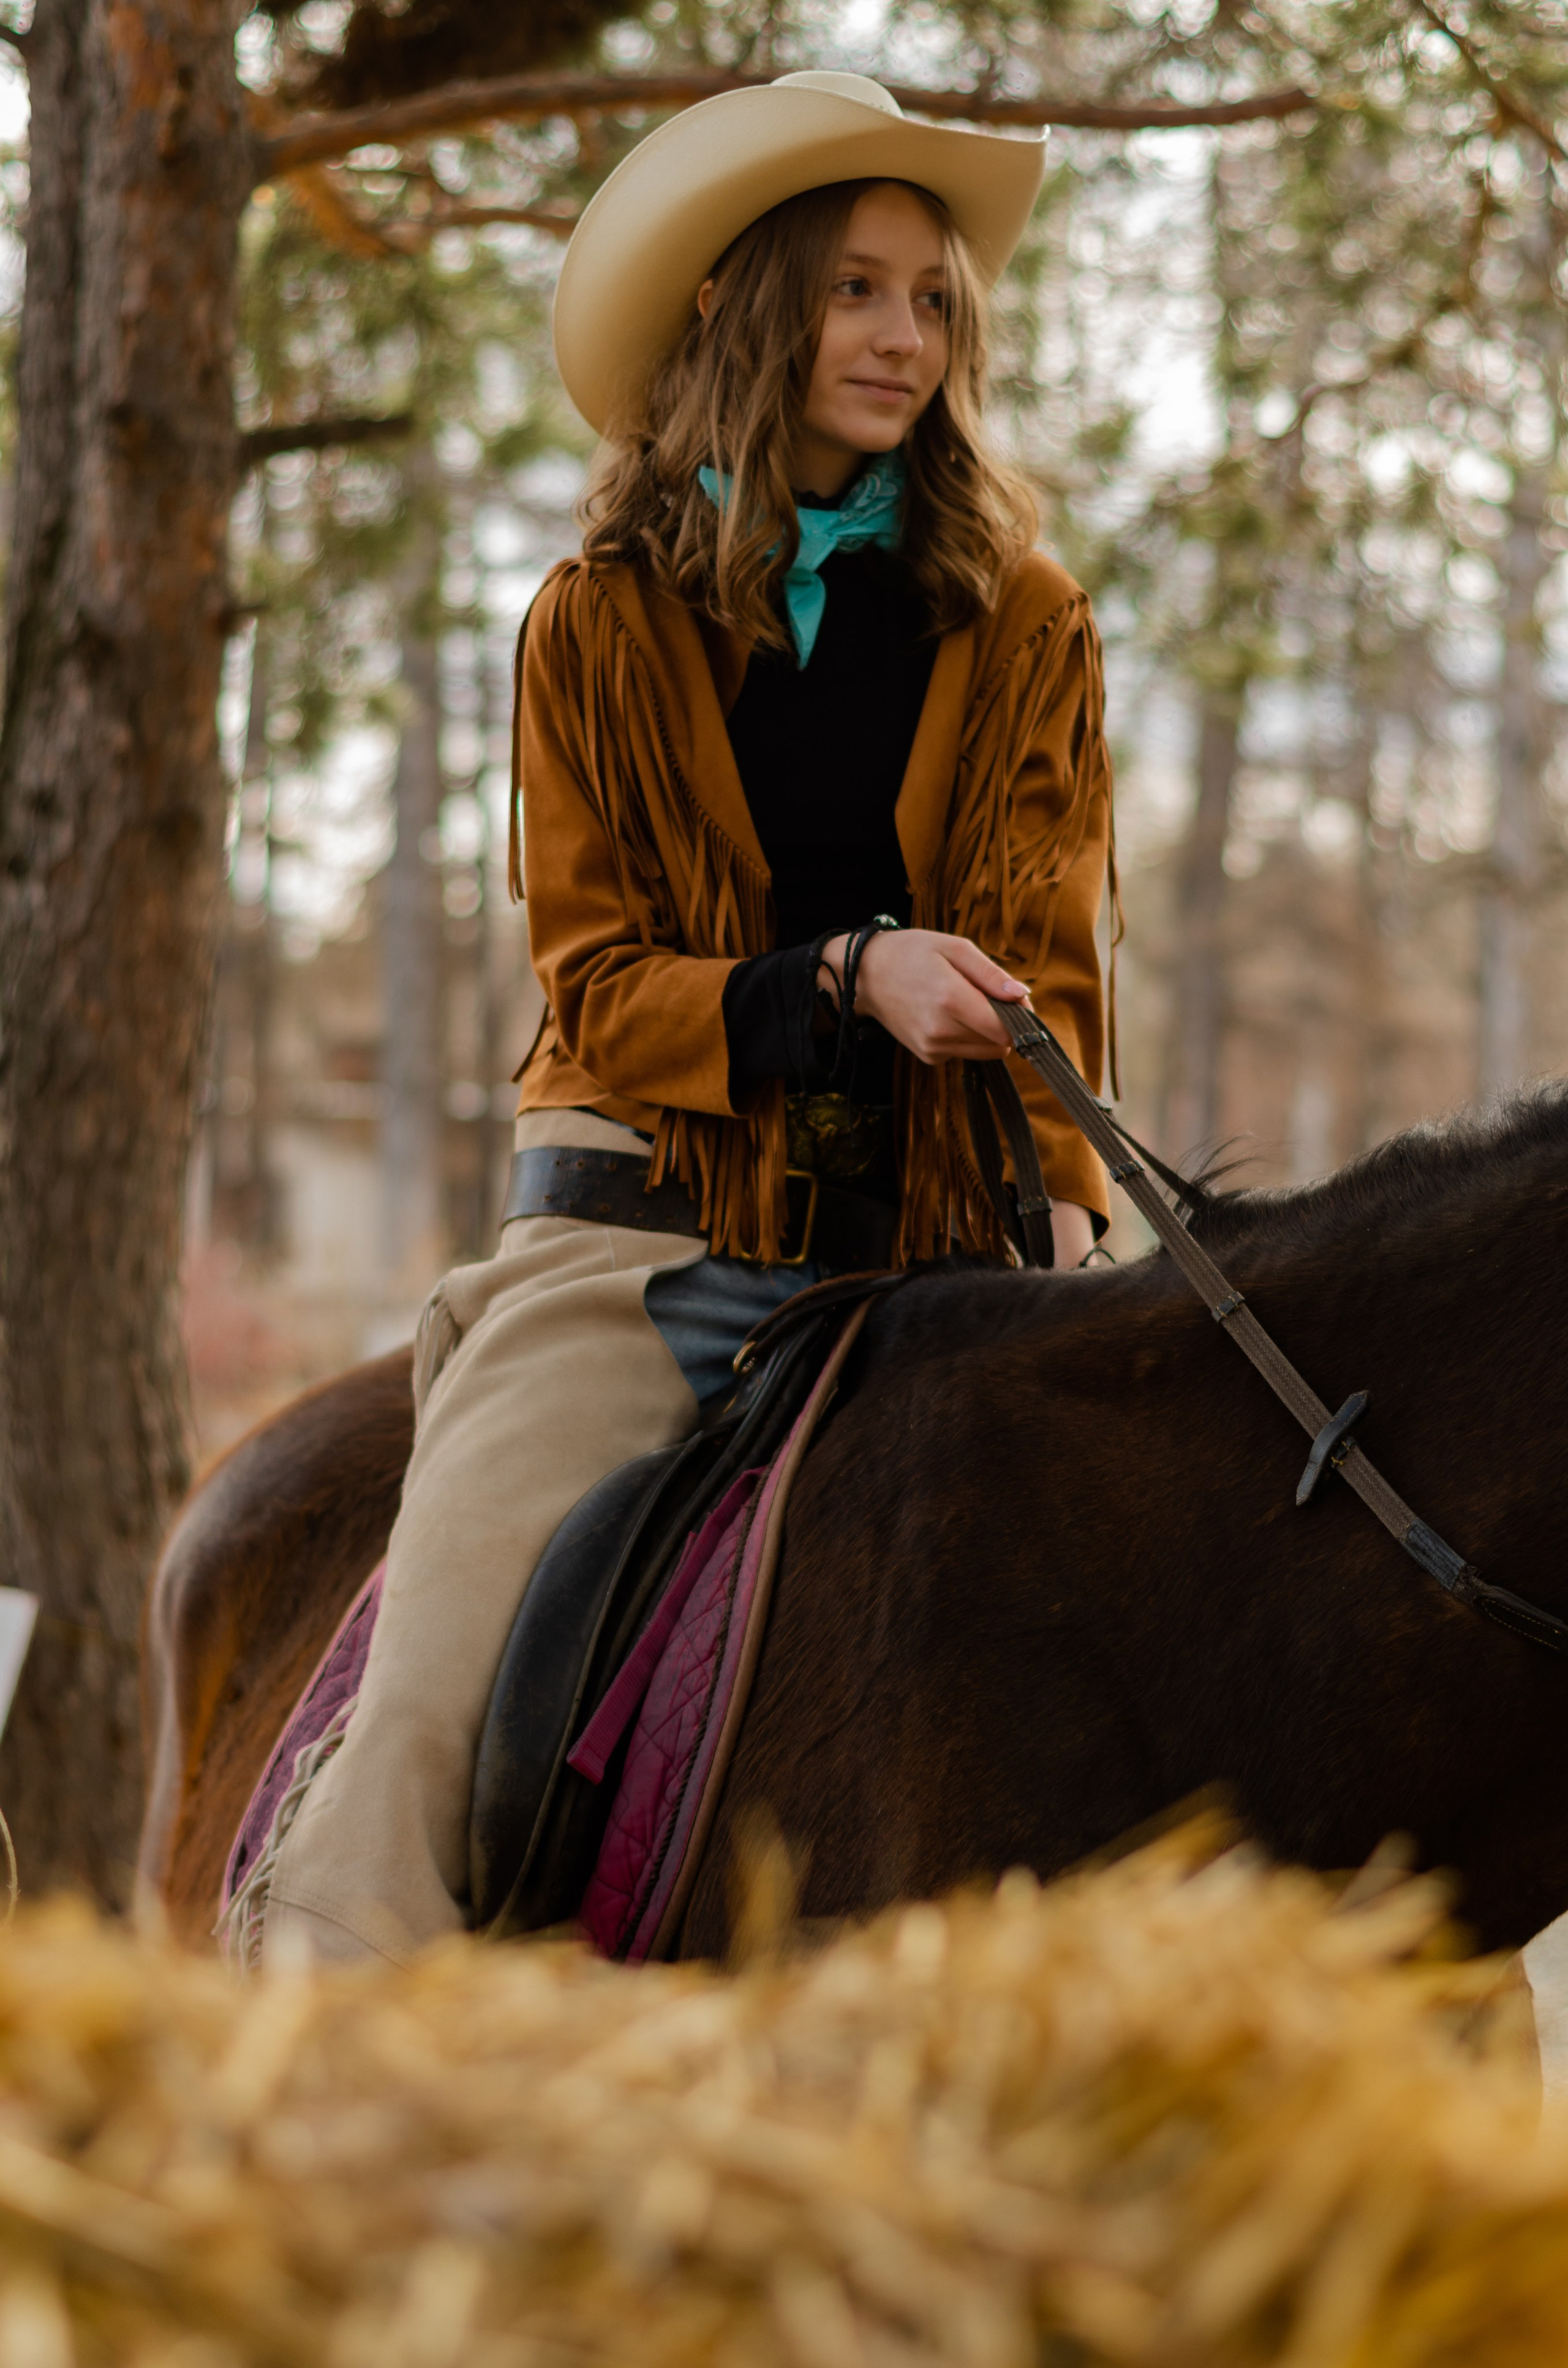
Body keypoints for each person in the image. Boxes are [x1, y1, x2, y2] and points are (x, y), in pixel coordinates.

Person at [260, 69, 1115, 1967]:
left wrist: (1060, 1213)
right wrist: (839, 977)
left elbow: (1052, 958)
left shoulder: (1027, 612)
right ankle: (311, 2076)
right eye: (857, 290)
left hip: (934, 1251)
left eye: (933, 300)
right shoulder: (596, 618)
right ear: (740, 303)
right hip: (639, 1242)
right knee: (420, 1733)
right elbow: (595, 988)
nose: (906, 337)